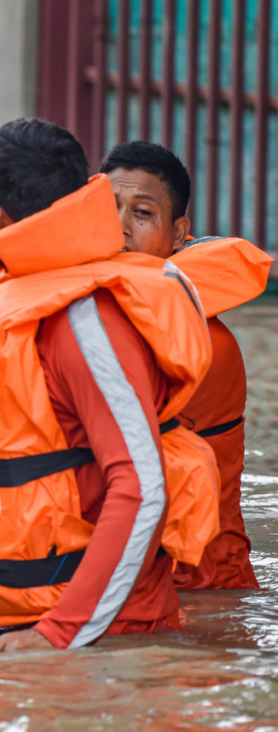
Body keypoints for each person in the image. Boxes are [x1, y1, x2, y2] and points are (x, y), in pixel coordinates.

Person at [0, 118, 216, 653]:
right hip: (14, 622)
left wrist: (58, 635)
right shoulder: (16, 294)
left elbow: (141, 488)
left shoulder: (86, 317)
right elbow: (36, 421)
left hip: (98, 641)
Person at [100, 141, 272, 590]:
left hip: (204, 591)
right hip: (142, 577)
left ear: (178, 235)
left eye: (141, 214)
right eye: (108, 208)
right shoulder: (99, 314)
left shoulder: (205, 344)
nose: (120, 228)